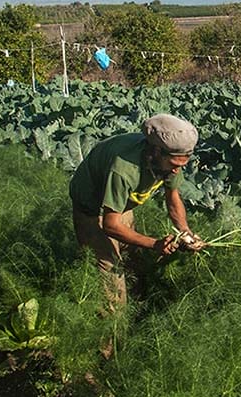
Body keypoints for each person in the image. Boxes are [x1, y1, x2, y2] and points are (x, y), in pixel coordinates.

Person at [68, 113, 204, 308]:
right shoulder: (124, 170)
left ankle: (137, 309)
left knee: (133, 260)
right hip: (92, 207)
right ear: (156, 152)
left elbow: (172, 197)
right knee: (111, 275)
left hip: (120, 202)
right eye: (174, 165)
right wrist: (155, 243)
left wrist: (186, 233)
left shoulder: (171, 161)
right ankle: (112, 330)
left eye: (182, 165)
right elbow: (110, 224)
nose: (177, 171)